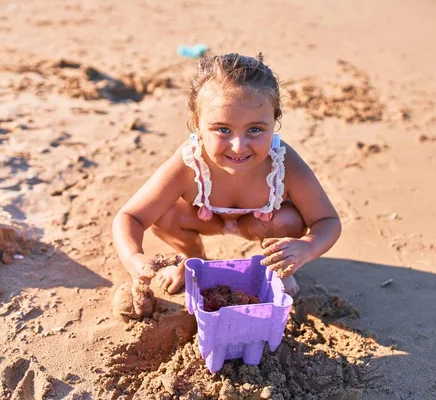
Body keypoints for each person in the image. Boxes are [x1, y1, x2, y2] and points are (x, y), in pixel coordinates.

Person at [112, 52, 341, 307]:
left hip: (262, 225)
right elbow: (131, 216)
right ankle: (192, 258)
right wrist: (134, 258)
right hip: (202, 219)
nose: (239, 146)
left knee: (290, 220)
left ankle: (279, 268)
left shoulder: (283, 162)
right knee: (163, 214)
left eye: (255, 129)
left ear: (274, 121)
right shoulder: (189, 162)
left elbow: (327, 221)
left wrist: (307, 248)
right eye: (223, 129)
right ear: (197, 125)